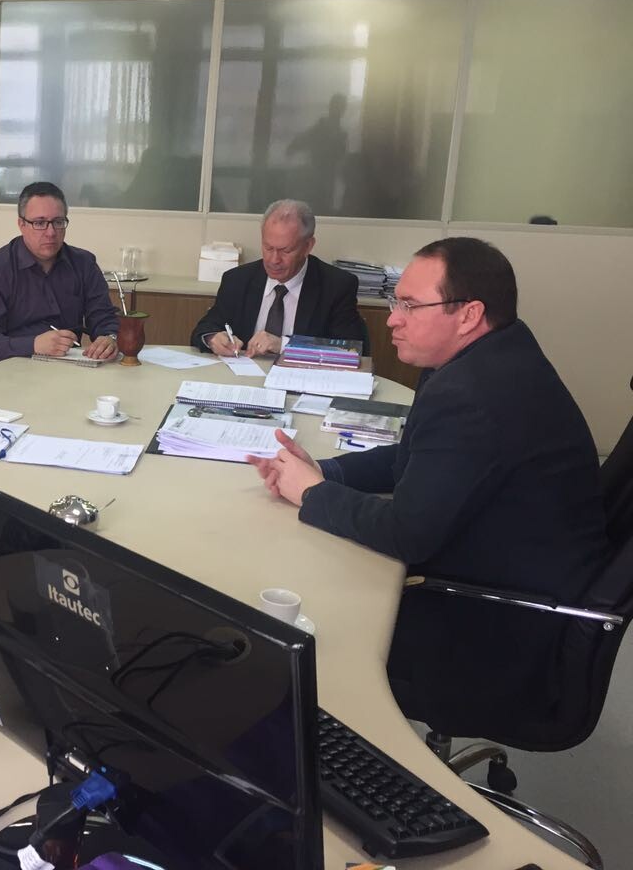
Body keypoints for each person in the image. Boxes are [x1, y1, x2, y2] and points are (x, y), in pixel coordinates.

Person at [248, 237, 610, 734]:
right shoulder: (494, 357)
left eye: (410, 305)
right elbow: (416, 457)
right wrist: (328, 471)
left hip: (495, 629)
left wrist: (311, 493)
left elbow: (407, 533)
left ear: (468, 315)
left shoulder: (473, 394)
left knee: (298, 632)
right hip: (517, 581)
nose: (392, 320)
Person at [0, 181, 120, 367]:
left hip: (69, 367)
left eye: (58, 222)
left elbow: (103, 317)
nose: (51, 232)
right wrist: (33, 345)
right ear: (21, 224)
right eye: (39, 223)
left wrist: (109, 337)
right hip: (13, 369)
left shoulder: (84, 264)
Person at [189, 199, 365, 357]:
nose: (274, 260)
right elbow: (204, 328)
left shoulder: (336, 286)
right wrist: (212, 338)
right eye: (268, 248)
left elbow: (351, 349)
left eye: (285, 251)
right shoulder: (237, 280)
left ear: (308, 246)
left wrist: (283, 345)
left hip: (302, 378)